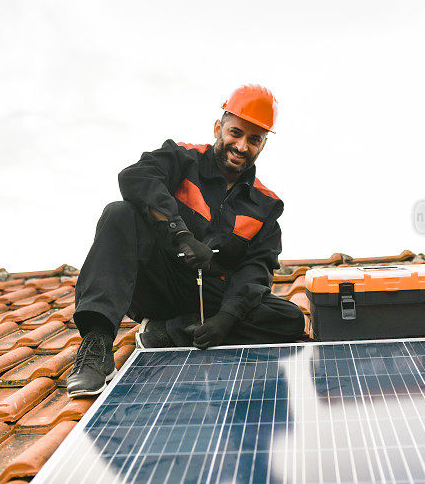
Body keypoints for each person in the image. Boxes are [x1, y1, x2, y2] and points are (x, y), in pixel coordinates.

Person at [67, 84, 306, 398]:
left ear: (263, 144)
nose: (242, 145)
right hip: (158, 283)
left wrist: (226, 318)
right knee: (119, 213)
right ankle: (96, 346)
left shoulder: (266, 205)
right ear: (219, 128)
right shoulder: (182, 157)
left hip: (210, 300)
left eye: (254, 139)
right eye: (236, 133)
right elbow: (135, 177)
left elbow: (257, 269)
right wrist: (179, 233)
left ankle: (167, 332)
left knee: (289, 320)